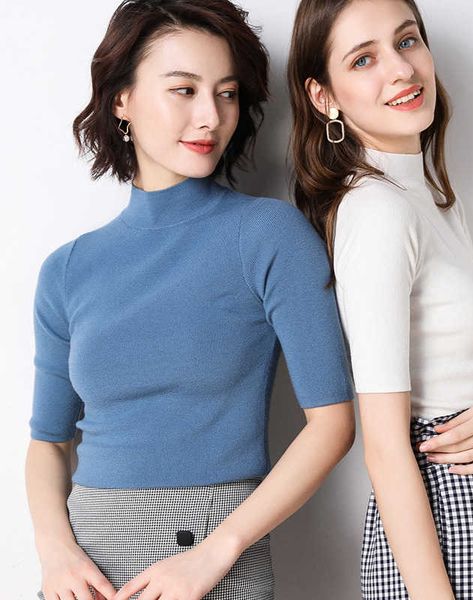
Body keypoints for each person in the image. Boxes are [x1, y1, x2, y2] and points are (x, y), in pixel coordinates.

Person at [26, 2, 355, 599]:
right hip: (83, 569)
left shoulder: (267, 234)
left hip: (211, 558)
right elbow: (48, 441)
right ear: (121, 100)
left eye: (227, 93)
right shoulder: (67, 270)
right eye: (184, 89)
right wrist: (56, 555)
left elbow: (332, 424)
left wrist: (216, 553)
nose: (211, 116)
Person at [287, 0, 473, 598]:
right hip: (448, 510)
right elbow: (386, 447)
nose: (401, 69)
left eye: (407, 40)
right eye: (363, 59)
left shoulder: (434, 200)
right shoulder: (376, 211)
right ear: (323, 96)